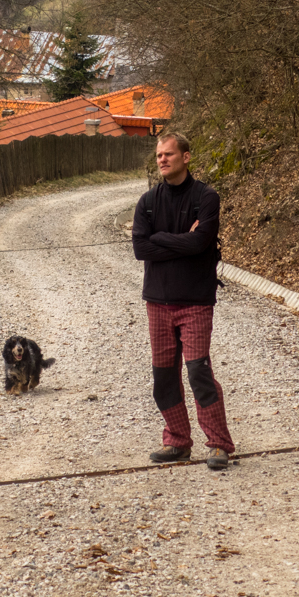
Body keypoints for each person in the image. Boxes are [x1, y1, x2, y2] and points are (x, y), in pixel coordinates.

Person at [131, 132, 235, 471]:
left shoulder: (206, 197)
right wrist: (181, 240)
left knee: (198, 372)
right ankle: (177, 440)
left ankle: (218, 444)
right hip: (157, 301)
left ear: (186, 157)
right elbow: (140, 249)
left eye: (169, 154)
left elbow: (201, 243)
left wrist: (161, 239)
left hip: (195, 300)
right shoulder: (147, 202)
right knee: (163, 376)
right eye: (159, 155)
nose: (162, 159)